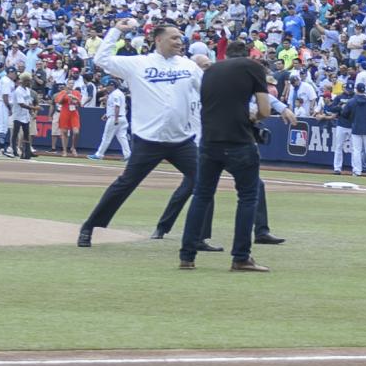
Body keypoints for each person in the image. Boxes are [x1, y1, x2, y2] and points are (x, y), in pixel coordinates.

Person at [77, 21, 208, 249]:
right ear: (158, 40)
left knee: (204, 182)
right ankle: (89, 227)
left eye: (180, 38)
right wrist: (116, 30)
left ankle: (197, 237)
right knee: (125, 184)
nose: (179, 41)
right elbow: (102, 60)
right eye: (174, 38)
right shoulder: (138, 63)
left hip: (181, 141)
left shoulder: (189, 66)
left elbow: (210, 92)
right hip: (149, 140)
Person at [179, 38, 273, 272]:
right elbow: (264, 109)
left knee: (201, 196)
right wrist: (253, 118)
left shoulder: (210, 70)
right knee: (248, 198)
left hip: (209, 142)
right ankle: (241, 257)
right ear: (248, 54)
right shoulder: (254, 68)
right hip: (239, 141)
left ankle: (187, 256)